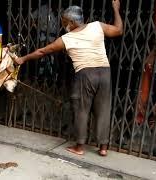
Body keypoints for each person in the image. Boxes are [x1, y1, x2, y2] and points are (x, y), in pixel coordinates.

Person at [15, 0, 123, 156]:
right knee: (103, 109)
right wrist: (116, 9)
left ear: (72, 22)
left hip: (86, 74)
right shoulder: (97, 26)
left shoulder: (68, 38)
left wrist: (23, 59)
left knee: (81, 109)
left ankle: (79, 147)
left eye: (64, 21)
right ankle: (103, 147)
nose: (63, 24)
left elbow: (42, 52)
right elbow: (119, 30)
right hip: (105, 73)